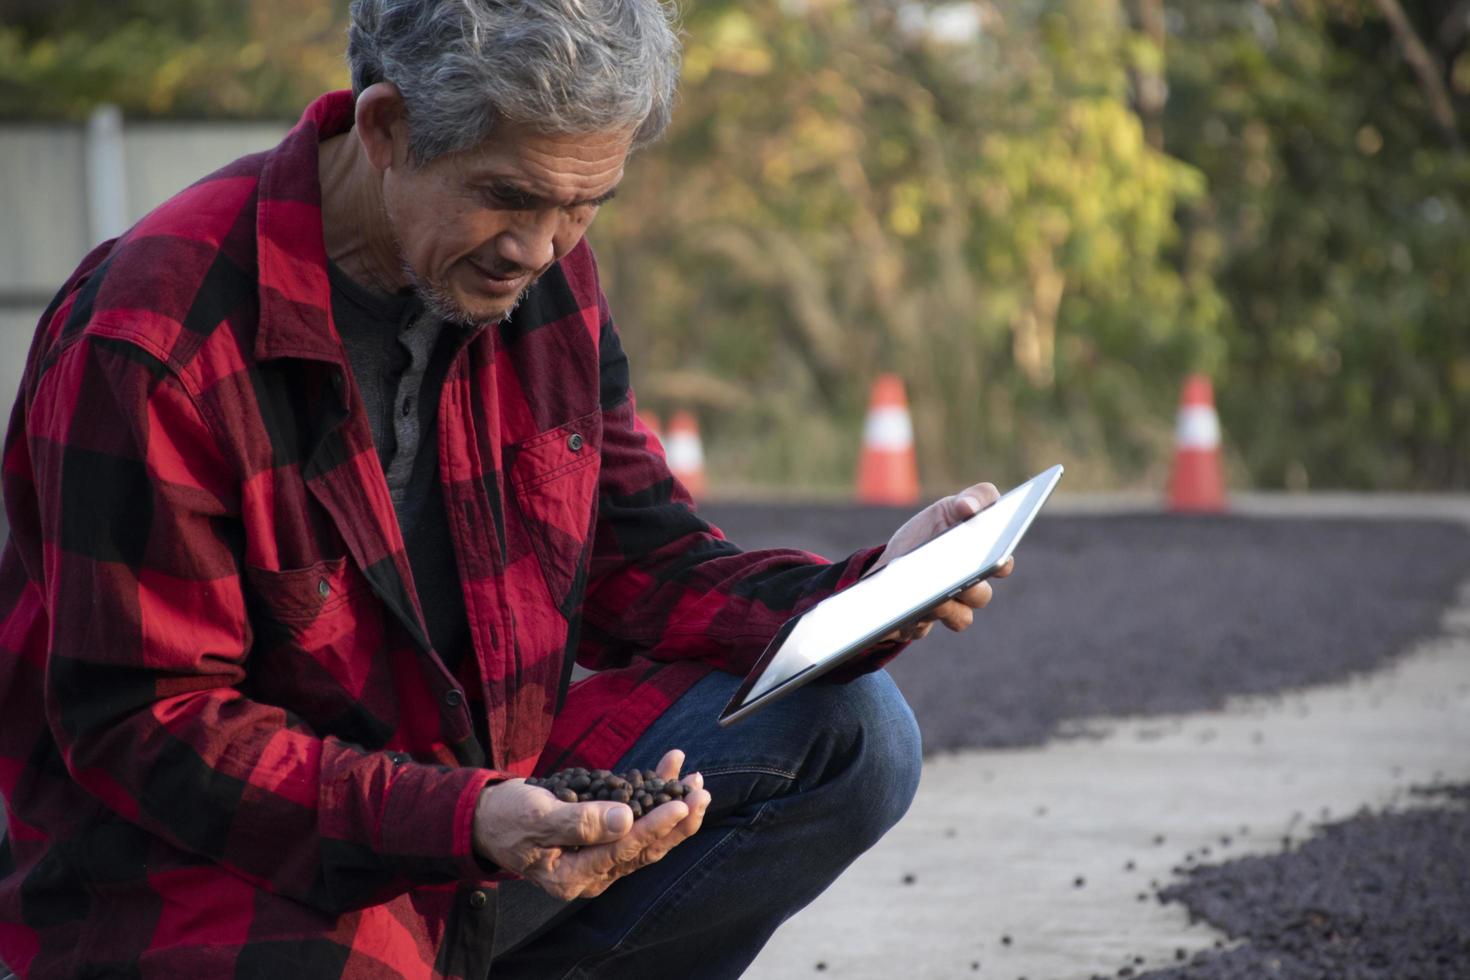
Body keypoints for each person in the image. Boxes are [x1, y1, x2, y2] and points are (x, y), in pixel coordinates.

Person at [0, 1, 1014, 977]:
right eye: (510, 197)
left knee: (854, 734)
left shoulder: (538, 278)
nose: (540, 247)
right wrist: (459, 817)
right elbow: (147, 725)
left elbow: (644, 561)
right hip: (213, 871)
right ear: (388, 127)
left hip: (475, 820)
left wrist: (870, 588)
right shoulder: (155, 341)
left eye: (583, 206)